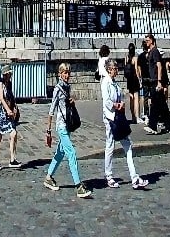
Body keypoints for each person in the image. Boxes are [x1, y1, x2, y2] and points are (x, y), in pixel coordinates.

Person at [44, 63, 91, 198]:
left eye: (68, 72)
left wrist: (72, 102)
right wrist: (48, 130)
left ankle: (48, 177)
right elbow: (51, 110)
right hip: (61, 126)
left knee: (60, 152)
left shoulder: (67, 87)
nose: (66, 75)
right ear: (59, 73)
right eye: (64, 72)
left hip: (67, 123)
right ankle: (78, 185)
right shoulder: (57, 89)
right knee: (71, 152)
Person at [101, 58, 149, 189]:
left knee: (127, 146)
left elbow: (120, 96)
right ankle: (109, 175)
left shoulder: (114, 82)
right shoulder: (105, 82)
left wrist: (122, 102)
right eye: (115, 68)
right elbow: (107, 102)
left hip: (118, 117)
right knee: (110, 146)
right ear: (109, 69)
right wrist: (117, 105)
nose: (117, 71)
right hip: (110, 119)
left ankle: (134, 177)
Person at [0, 64, 20, 169]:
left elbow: (11, 96)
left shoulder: (9, 84)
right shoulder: (0, 84)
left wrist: (14, 107)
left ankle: (12, 159)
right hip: (1, 112)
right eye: (9, 73)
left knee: (13, 133)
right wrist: (7, 110)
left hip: (9, 112)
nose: (10, 75)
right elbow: (1, 98)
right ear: (5, 74)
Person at [143, 33, 170, 134]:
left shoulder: (155, 51)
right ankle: (169, 126)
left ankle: (153, 126)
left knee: (155, 104)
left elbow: (159, 66)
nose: (146, 43)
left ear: (152, 41)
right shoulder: (151, 51)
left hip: (156, 81)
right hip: (154, 80)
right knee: (162, 105)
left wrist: (159, 82)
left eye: (147, 41)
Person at [122, 43, 141, 123]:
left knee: (131, 97)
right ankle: (137, 116)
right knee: (136, 98)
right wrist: (139, 79)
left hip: (129, 79)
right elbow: (136, 70)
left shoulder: (126, 58)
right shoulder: (135, 58)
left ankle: (132, 115)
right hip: (134, 78)